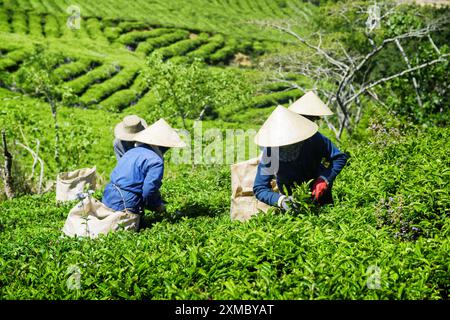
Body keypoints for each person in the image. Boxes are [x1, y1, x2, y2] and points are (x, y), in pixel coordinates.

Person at [253, 106, 348, 211]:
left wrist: (324, 179)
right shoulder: (271, 153)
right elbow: (260, 188)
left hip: (321, 194)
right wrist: (281, 200)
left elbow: (339, 157)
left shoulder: (313, 138)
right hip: (292, 201)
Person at [102, 118, 186, 214]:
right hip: (125, 203)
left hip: (108, 195)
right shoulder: (156, 161)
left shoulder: (132, 151)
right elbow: (149, 191)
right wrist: (159, 207)